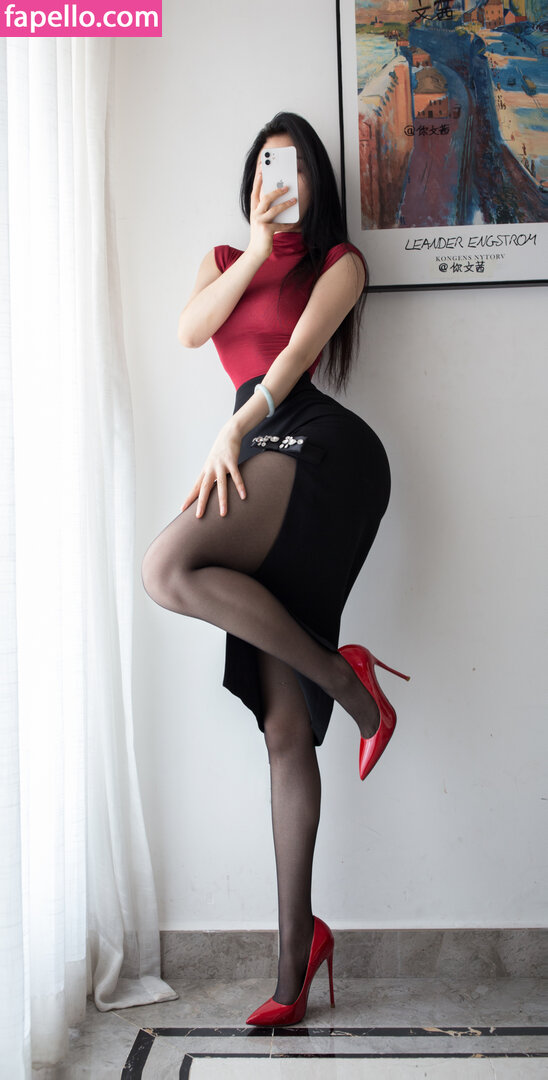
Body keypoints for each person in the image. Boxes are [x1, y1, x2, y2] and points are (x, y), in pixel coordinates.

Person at [141, 112, 409, 1027]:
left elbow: (294, 358)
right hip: (255, 451)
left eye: (290, 164)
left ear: (314, 179)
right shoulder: (225, 259)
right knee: (284, 726)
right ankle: (296, 962)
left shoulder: (340, 263)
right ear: (249, 178)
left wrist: (232, 429)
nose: (275, 176)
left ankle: (348, 680)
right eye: (264, 162)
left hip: (320, 450)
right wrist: (255, 250)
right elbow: (191, 331)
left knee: (168, 564)